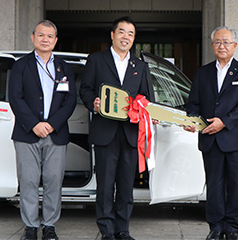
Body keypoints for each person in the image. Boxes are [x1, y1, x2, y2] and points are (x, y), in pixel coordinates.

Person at [79, 16, 153, 240]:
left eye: (130, 34)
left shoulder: (140, 66)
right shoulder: (97, 60)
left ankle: (123, 229)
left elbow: (146, 97)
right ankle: (107, 231)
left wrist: (142, 106)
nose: (126, 37)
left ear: (133, 39)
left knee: (125, 186)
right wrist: (93, 102)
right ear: (112, 35)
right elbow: (85, 89)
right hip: (105, 132)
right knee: (105, 186)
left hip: (130, 133)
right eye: (122, 32)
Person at [185, 26, 238, 240]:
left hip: (236, 138)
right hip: (210, 138)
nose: (221, 46)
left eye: (226, 42)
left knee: (237, 185)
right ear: (212, 46)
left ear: (234, 45)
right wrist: (192, 121)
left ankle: (233, 227)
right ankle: (215, 227)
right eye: (217, 42)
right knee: (214, 185)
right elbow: (193, 103)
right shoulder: (203, 72)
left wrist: (224, 122)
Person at [9, 20, 77, 240]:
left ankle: (49, 226)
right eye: (41, 35)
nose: (45, 39)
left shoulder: (64, 67)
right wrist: (34, 124)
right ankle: (30, 227)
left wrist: (52, 124)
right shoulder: (21, 65)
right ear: (33, 38)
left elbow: (70, 100)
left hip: (55, 134)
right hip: (27, 133)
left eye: (50, 36)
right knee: (28, 180)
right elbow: (15, 98)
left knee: (53, 181)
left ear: (55, 40)